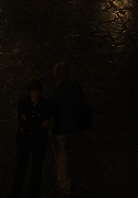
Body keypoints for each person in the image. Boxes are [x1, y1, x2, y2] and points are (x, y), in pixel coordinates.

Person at [48, 62, 91, 195]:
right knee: (66, 151)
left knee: (62, 156)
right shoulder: (74, 87)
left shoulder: (55, 94)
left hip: (61, 129)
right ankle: (59, 173)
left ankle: (63, 183)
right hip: (74, 127)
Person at [11, 79, 53, 198]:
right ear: (30, 92)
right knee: (21, 168)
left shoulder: (46, 105)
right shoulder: (23, 103)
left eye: (38, 91)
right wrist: (38, 123)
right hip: (25, 140)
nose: (36, 94)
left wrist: (31, 121)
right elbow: (24, 122)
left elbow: (42, 123)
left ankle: (32, 193)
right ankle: (16, 192)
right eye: (34, 91)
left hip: (39, 141)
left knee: (37, 168)